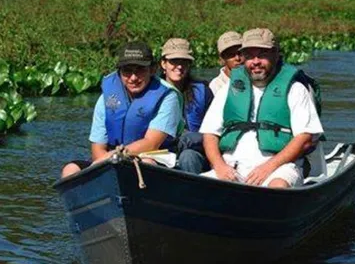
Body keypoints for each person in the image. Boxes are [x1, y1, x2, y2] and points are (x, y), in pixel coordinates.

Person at [200, 28, 324, 189]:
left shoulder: (295, 89)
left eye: (262, 55)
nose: (255, 61)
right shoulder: (229, 89)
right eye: (250, 56)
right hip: (231, 167)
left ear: (275, 54)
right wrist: (219, 166)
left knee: (277, 188)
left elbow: (304, 138)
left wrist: (267, 168)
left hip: (279, 168)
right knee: (199, 186)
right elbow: (210, 134)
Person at [61, 41, 181, 178]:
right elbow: (97, 149)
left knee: (146, 164)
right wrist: (107, 162)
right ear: (119, 72)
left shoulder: (167, 97)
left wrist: (113, 157)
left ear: (152, 69)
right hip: (109, 160)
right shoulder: (106, 98)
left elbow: (151, 143)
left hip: (152, 158)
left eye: (140, 70)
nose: (133, 78)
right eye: (127, 71)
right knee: (70, 170)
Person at [160, 38, 214, 173]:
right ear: (163, 64)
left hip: (196, 152)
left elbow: (214, 130)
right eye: (174, 61)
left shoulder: (203, 91)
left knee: (188, 156)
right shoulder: (151, 93)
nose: (179, 66)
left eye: (184, 62)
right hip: (161, 152)